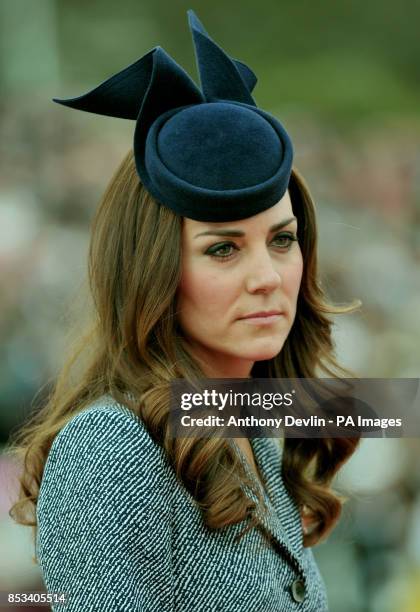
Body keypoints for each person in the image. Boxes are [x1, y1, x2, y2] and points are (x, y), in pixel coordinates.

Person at [8, 10, 361, 611]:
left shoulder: (245, 421)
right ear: (153, 271)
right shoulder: (111, 445)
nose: (267, 278)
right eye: (223, 248)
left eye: (282, 240)